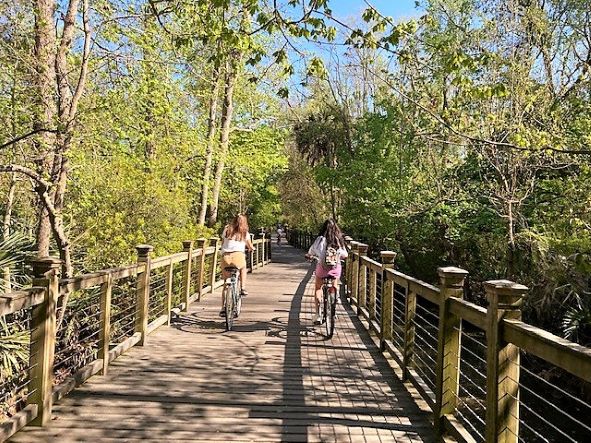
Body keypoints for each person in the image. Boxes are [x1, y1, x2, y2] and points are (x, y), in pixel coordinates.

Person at [305, 219, 348, 324]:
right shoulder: (338, 240)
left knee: (318, 288)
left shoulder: (320, 240)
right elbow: (345, 255)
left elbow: (311, 252)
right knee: (335, 284)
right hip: (335, 268)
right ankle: (334, 301)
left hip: (322, 268)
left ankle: (318, 315)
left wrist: (310, 256)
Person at [219, 214, 254, 317]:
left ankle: (223, 308)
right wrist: (251, 248)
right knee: (243, 268)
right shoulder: (244, 232)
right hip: (238, 256)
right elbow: (250, 246)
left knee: (226, 283)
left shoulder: (226, 229)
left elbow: (222, 244)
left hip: (226, 257)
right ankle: (242, 288)